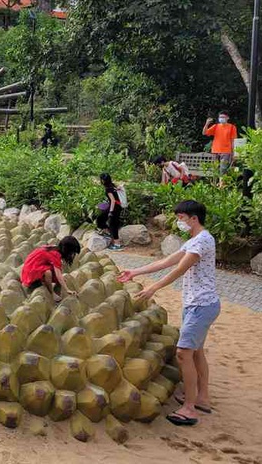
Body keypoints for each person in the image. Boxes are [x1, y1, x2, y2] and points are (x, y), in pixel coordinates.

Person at [117, 200, 220, 427]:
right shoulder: (195, 240)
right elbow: (166, 261)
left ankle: (190, 409)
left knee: (184, 353)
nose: (178, 222)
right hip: (198, 304)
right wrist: (135, 271)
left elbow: (179, 269)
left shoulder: (202, 241)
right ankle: (201, 398)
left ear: (193, 218)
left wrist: (153, 288)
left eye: (181, 218)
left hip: (201, 306)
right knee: (196, 352)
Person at [20, 236, 81, 302]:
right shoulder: (55, 254)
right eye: (72, 253)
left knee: (56, 274)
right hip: (30, 271)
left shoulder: (54, 248)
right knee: (48, 273)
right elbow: (58, 274)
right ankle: (52, 293)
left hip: (31, 267)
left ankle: (42, 281)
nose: (72, 255)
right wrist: (67, 289)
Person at [96, 173, 123, 250]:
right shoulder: (113, 185)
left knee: (113, 224)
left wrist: (111, 212)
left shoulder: (108, 189)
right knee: (101, 218)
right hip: (118, 206)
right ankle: (107, 232)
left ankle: (117, 245)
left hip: (114, 207)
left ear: (103, 180)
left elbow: (113, 201)